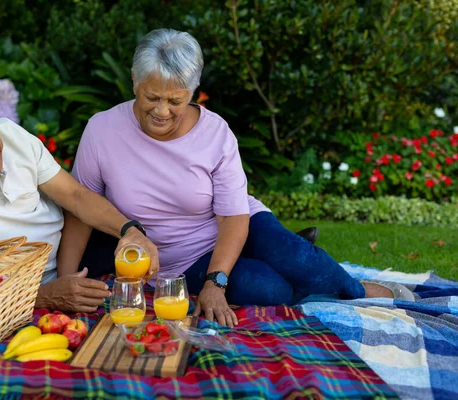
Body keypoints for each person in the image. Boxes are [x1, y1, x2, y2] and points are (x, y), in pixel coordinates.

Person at [56, 28, 414, 328]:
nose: (162, 111)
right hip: (180, 262)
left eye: (175, 101)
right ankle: (297, 269)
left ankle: (356, 289)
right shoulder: (102, 130)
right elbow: (81, 208)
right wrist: (65, 280)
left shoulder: (216, 134)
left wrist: (217, 283)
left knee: (299, 259)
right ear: (134, 81)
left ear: (193, 92)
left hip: (235, 226)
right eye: (152, 97)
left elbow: (232, 216)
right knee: (268, 290)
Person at [0, 82, 159, 313]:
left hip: (70, 259)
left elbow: (75, 195)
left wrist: (129, 230)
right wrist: (43, 297)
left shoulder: (11, 134)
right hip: (8, 297)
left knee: (147, 297)